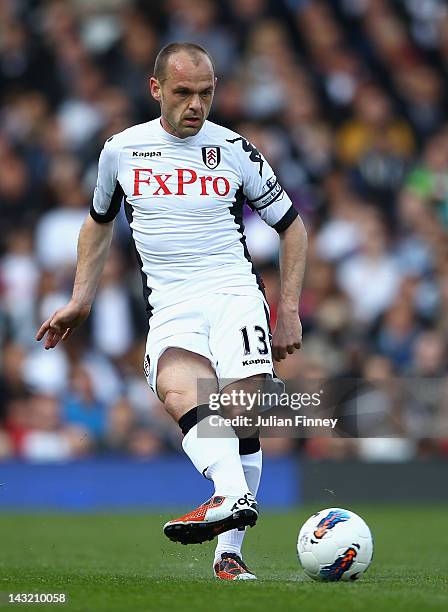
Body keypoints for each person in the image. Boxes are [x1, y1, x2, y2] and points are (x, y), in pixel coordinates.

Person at [36, 42, 307, 581]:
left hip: (233, 292)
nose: (196, 105)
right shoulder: (122, 150)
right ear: (156, 88)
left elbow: (291, 226)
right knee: (179, 390)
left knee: (244, 410)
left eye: (206, 93)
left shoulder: (236, 150)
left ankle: (228, 546)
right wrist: (80, 298)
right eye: (184, 93)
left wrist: (291, 308)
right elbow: (98, 221)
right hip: (172, 302)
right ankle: (230, 512)